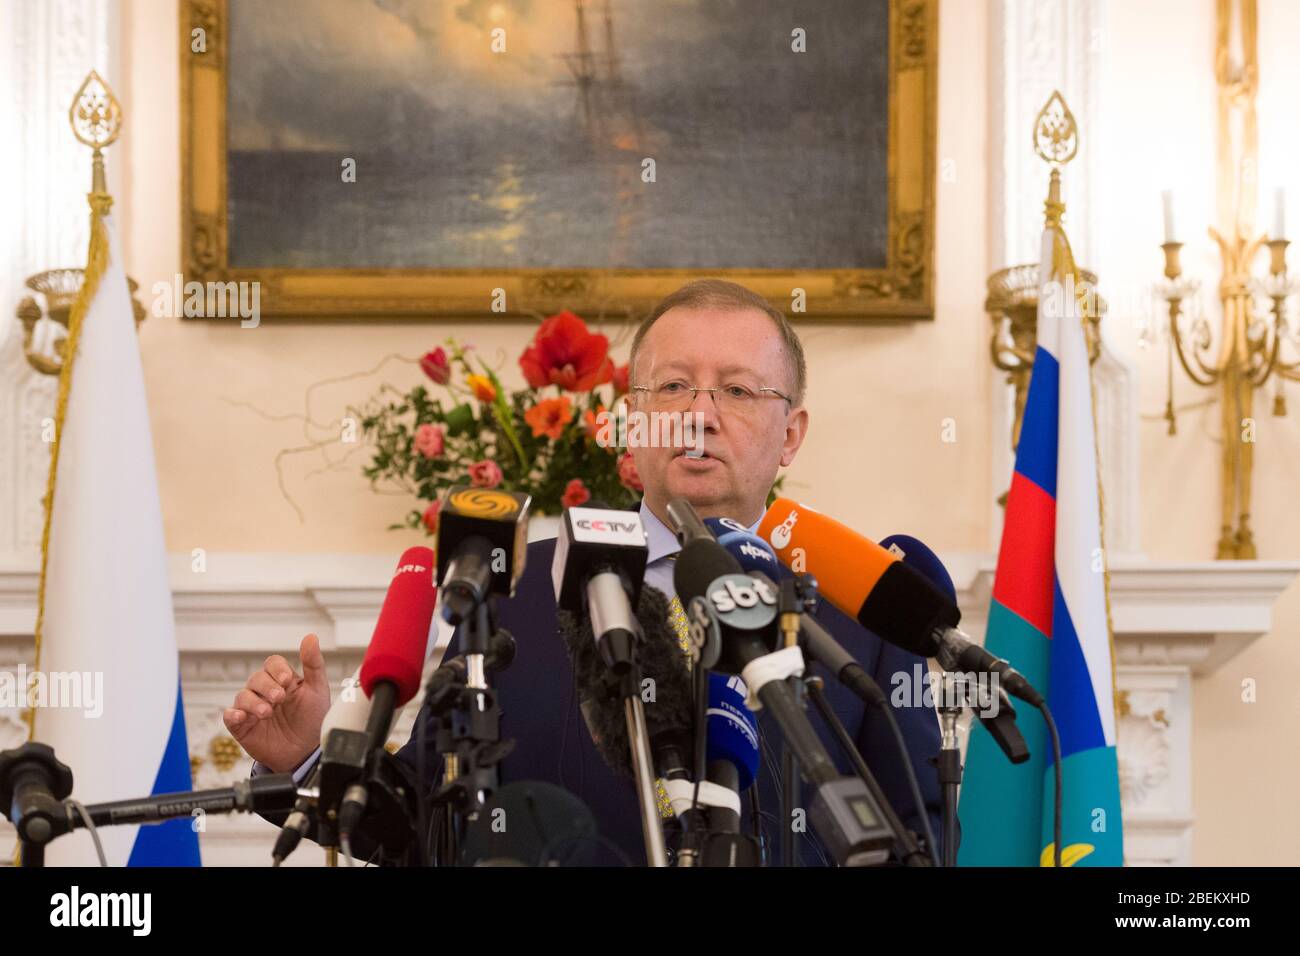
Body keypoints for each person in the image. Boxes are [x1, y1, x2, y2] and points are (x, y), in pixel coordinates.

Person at [224, 278, 947, 865]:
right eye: (671, 388)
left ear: (790, 434)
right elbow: (423, 828)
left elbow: (920, 834)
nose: (698, 414)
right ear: (634, 422)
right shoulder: (521, 591)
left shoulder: (863, 609)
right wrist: (312, 756)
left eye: (736, 390)